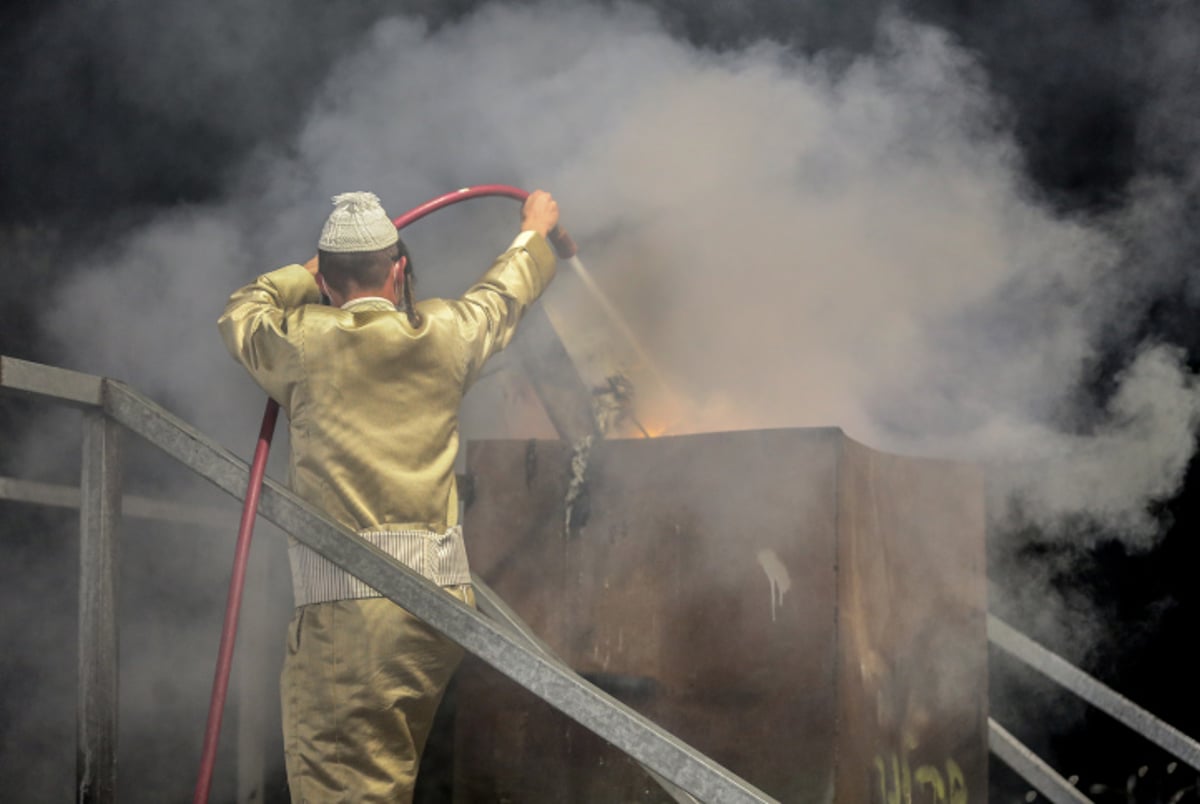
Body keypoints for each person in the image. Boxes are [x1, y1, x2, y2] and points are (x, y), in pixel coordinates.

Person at [218, 189, 560, 802]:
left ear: (326, 278)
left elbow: (243, 310)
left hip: (351, 615)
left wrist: (300, 275)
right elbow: (502, 295)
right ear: (399, 269)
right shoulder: (447, 334)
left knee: (344, 789)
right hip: (438, 613)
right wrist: (534, 233)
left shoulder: (303, 341)